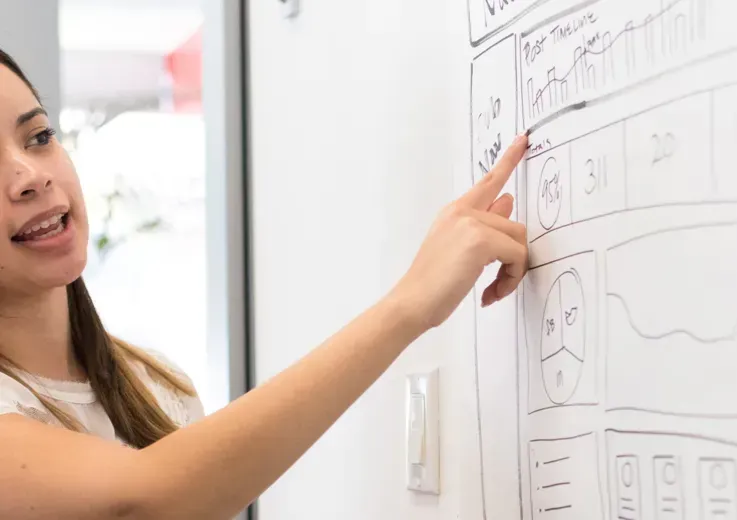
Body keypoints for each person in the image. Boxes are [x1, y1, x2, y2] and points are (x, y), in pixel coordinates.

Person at [0, 48, 530, 518]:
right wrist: (409, 305)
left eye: (39, 137)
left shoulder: (156, 384)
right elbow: (146, 499)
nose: (31, 176)